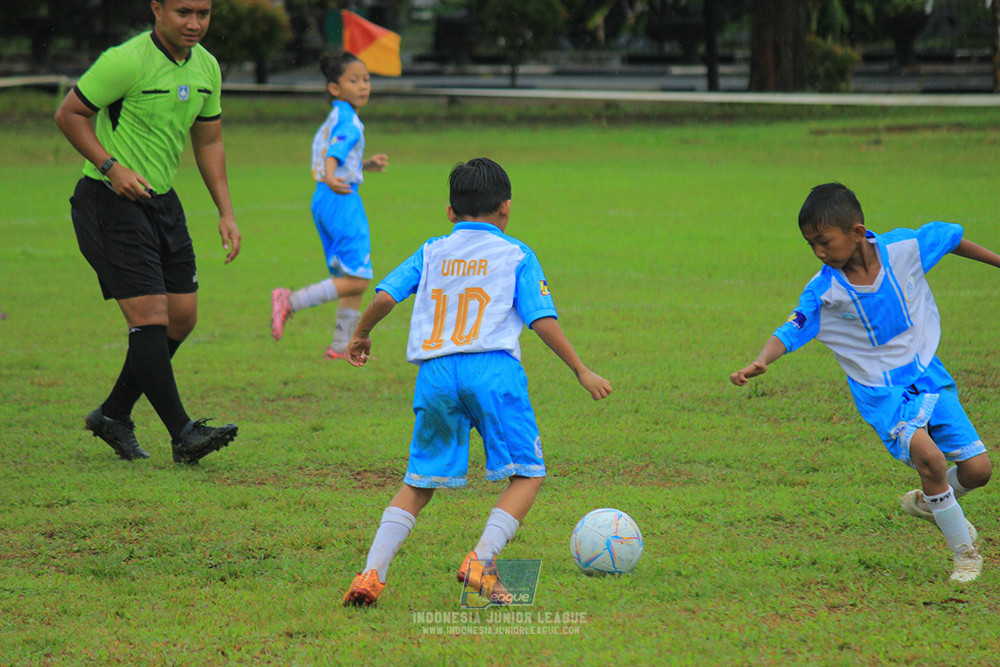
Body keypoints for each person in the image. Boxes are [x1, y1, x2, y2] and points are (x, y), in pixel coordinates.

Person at [341, 158, 613, 606]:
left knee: (418, 482)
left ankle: (371, 573)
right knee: (527, 473)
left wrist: (362, 333)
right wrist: (581, 370)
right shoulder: (517, 254)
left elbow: (386, 296)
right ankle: (481, 562)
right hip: (492, 371)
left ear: (450, 211)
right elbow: (541, 319)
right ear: (506, 208)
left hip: (435, 375)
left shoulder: (432, 250)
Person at [731, 183, 996, 583]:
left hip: (926, 372)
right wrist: (761, 360)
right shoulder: (825, 290)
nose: (818, 252)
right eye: (810, 245)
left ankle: (931, 501)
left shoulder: (904, 248)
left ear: (857, 232)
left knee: (978, 471)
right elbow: (792, 328)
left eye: (824, 241)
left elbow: (951, 237)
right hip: (880, 391)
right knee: (930, 459)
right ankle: (965, 554)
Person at [55, 0, 240, 464]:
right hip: (108, 201)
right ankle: (183, 433)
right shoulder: (125, 61)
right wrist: (111, 166)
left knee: (181, 318)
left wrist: (226, 211)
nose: (194, 23)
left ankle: (113, 414)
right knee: (151, 316)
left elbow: (210, 141)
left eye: (203, 13)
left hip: (163, 202)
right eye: (183, 12)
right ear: (157, 8)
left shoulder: (207, 67)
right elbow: (69, 114)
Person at [270, 51, 388, 360]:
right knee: (358, 279)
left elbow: (334, 151)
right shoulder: (349, 120)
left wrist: (364, 165)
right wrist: (333, 175)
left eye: (366, 79)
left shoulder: (336, 115)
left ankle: (340, 346)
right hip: (341, 198)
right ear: (335, 88)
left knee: (351, 277)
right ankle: (290, 302)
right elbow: (335, 151)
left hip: (324, 197)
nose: (363, 86)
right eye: (354, 80)